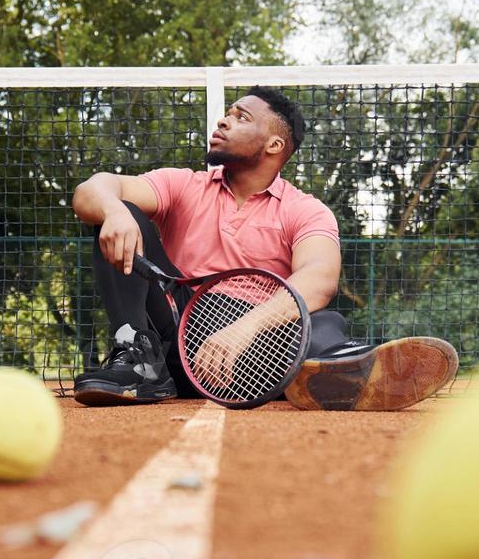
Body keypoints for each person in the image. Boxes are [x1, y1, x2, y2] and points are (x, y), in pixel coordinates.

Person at [70, 86, 456, 410]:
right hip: (174, 326)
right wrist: (113, 209)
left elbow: (320, 279)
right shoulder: (183, 184)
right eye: (227, 114)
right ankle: (139, 361)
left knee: (319, 324)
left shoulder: (306, 210)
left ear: (274, 144)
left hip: (253, 344)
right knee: (124, 217)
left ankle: (339, 369)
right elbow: (92, 190)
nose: (222, 121)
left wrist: (243, 331)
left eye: (241, 118)